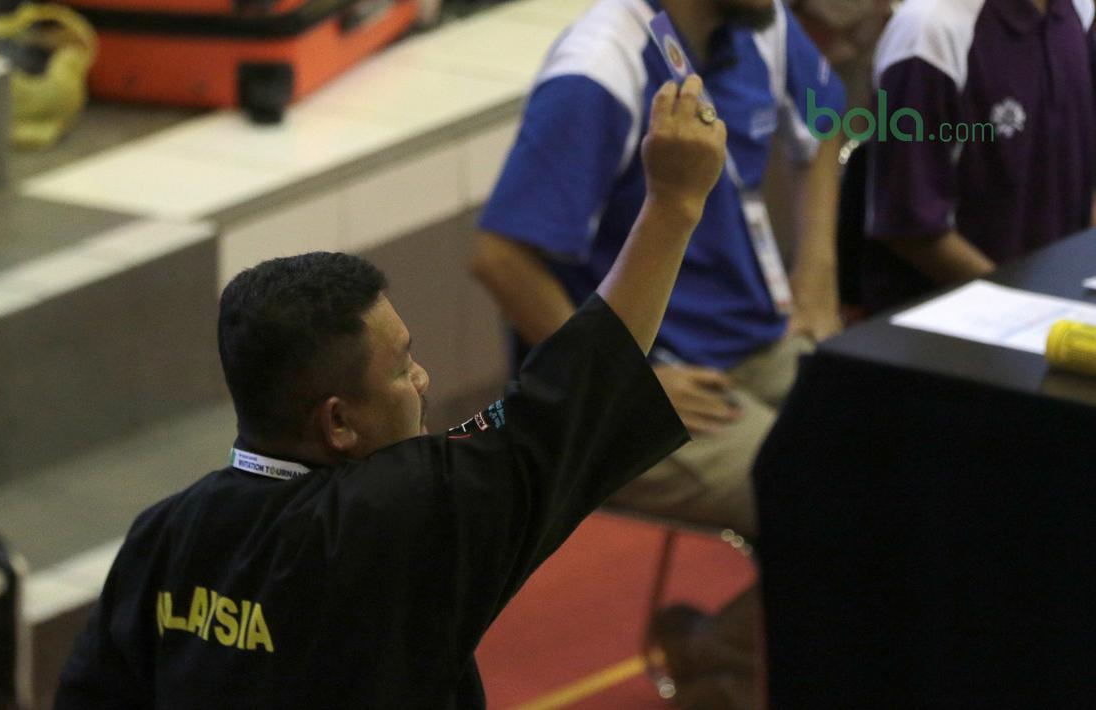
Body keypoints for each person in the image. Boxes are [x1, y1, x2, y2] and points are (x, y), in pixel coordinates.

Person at [54, 76, 728, 708]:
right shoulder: (396, 518)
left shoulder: (165, 534)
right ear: (338, 422)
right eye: (402, 366)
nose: (423, 380)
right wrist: (673, 206)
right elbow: (567, 399)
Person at [471, 0, 846, 538]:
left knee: (915, 460)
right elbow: (499, 258)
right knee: (833, 496)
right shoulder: (601, 64)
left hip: (759, 344)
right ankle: (724, 629)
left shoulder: (761, 22)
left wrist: (817, 276)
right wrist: (624, 382)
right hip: (645, 389)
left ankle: (722, 627)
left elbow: (826, 115)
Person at [862, 0, 1096, 313]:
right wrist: (1025, 308)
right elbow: (910, 226)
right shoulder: (929, 29)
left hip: (1060, 309)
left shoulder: (1079, 12)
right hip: (949, 328)